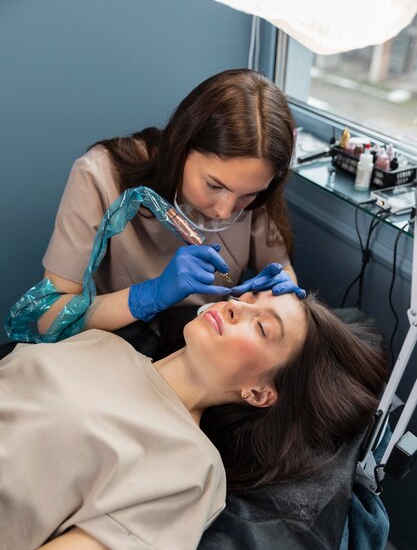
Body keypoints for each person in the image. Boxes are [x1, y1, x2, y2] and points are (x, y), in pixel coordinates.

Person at [0, 290, 388, 550]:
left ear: (259, 392)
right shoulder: (103, 341)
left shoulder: (191, 468)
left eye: (262, 326)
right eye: (249, 296)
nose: (237, 306)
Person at [37, 68, 304, 353]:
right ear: (181, 147)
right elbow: (48, 317)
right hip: (116, 347)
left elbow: (281, 269)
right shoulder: (100, 175)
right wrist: (148, 296)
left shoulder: (255, 189)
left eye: (249, 194)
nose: (226, 212)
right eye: (214, 186)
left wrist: (273, 295)